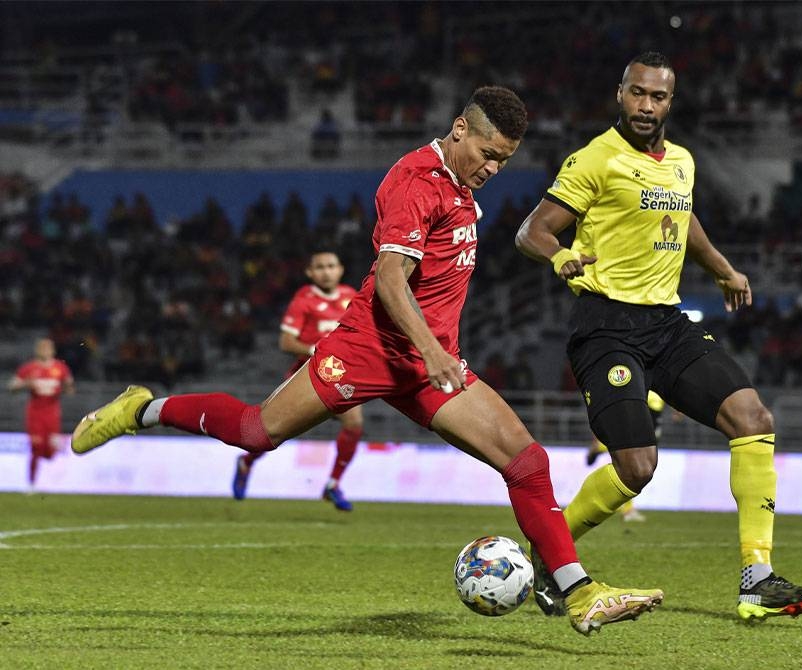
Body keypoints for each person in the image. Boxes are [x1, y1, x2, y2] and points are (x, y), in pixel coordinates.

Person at [70, 86, 662, 636]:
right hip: (370, 351)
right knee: (255, 431)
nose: (493, 168)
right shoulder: (414, 180)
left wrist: (445, 345)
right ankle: (143, 409)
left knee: (527, 462)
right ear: (459, 129)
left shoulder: (461, 191)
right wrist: (430, 350)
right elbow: (388, 278)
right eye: (486, 153)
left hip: (429, 364)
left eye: (503, 160)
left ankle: (577, 592)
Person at [515, 52, 802, 621]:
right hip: (606, 326)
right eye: (637, 93)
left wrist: (721, 268)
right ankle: (550, 551)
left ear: (670, 102)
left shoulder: (681, 161)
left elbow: (682, 220)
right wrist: (560, 254)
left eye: (657, 97)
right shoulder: (594, 159)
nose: (646, 105)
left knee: (753, 418)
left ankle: (757, 577)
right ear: (620, 94)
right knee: (637, 469)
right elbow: (531, 230)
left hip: (666, 323)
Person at [232, 251, 363, 510]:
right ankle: (247, 461)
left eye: (331, 266)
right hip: (307, 375)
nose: (326, 271)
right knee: (275, 433)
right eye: (320, 267)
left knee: (354, 423)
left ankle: (333, 484)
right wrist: (316, 349)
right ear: (310, 273)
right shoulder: (304, 300)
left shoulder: (351, 295)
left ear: (340, 269)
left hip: (339, 374)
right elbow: (286, 341)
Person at [584, 390, 667, 523]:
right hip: (648, 406)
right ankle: (628, 510)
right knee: (634, 458)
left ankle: (600, 447)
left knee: (635, 458)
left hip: (653, 407)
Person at [8, 338, 74, 490]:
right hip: (35, 414)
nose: (44, 350)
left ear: (53, 350)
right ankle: (31, 484)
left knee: (50, 453)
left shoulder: (60, 368)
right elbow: (11, 387)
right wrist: (25, 384)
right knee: (36, 448)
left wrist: (67, 388)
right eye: (42, 348)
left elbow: (69, 388)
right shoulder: (29, 368)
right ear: (37, 350)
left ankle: (50, 455)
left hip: (52, 414)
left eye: (47, 348)